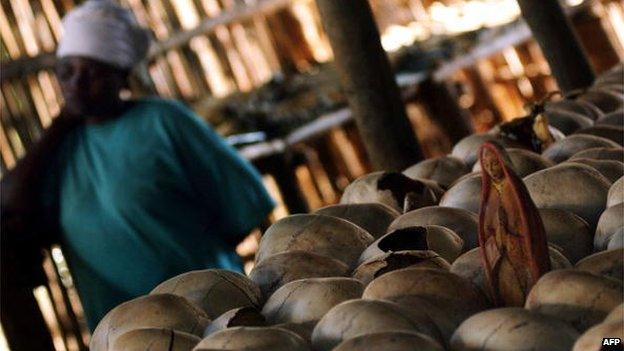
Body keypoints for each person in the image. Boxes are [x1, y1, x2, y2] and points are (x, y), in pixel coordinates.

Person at [1, 0, 274, 331]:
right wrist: (61, 123)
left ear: (124, 78)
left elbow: (243, 208)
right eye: (66, 72)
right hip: (125, 332)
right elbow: (10, 202)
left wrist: (189, 269)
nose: (77, 84)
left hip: (212, 317)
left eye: (95, 72)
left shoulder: (165, 122)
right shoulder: (60, 150)